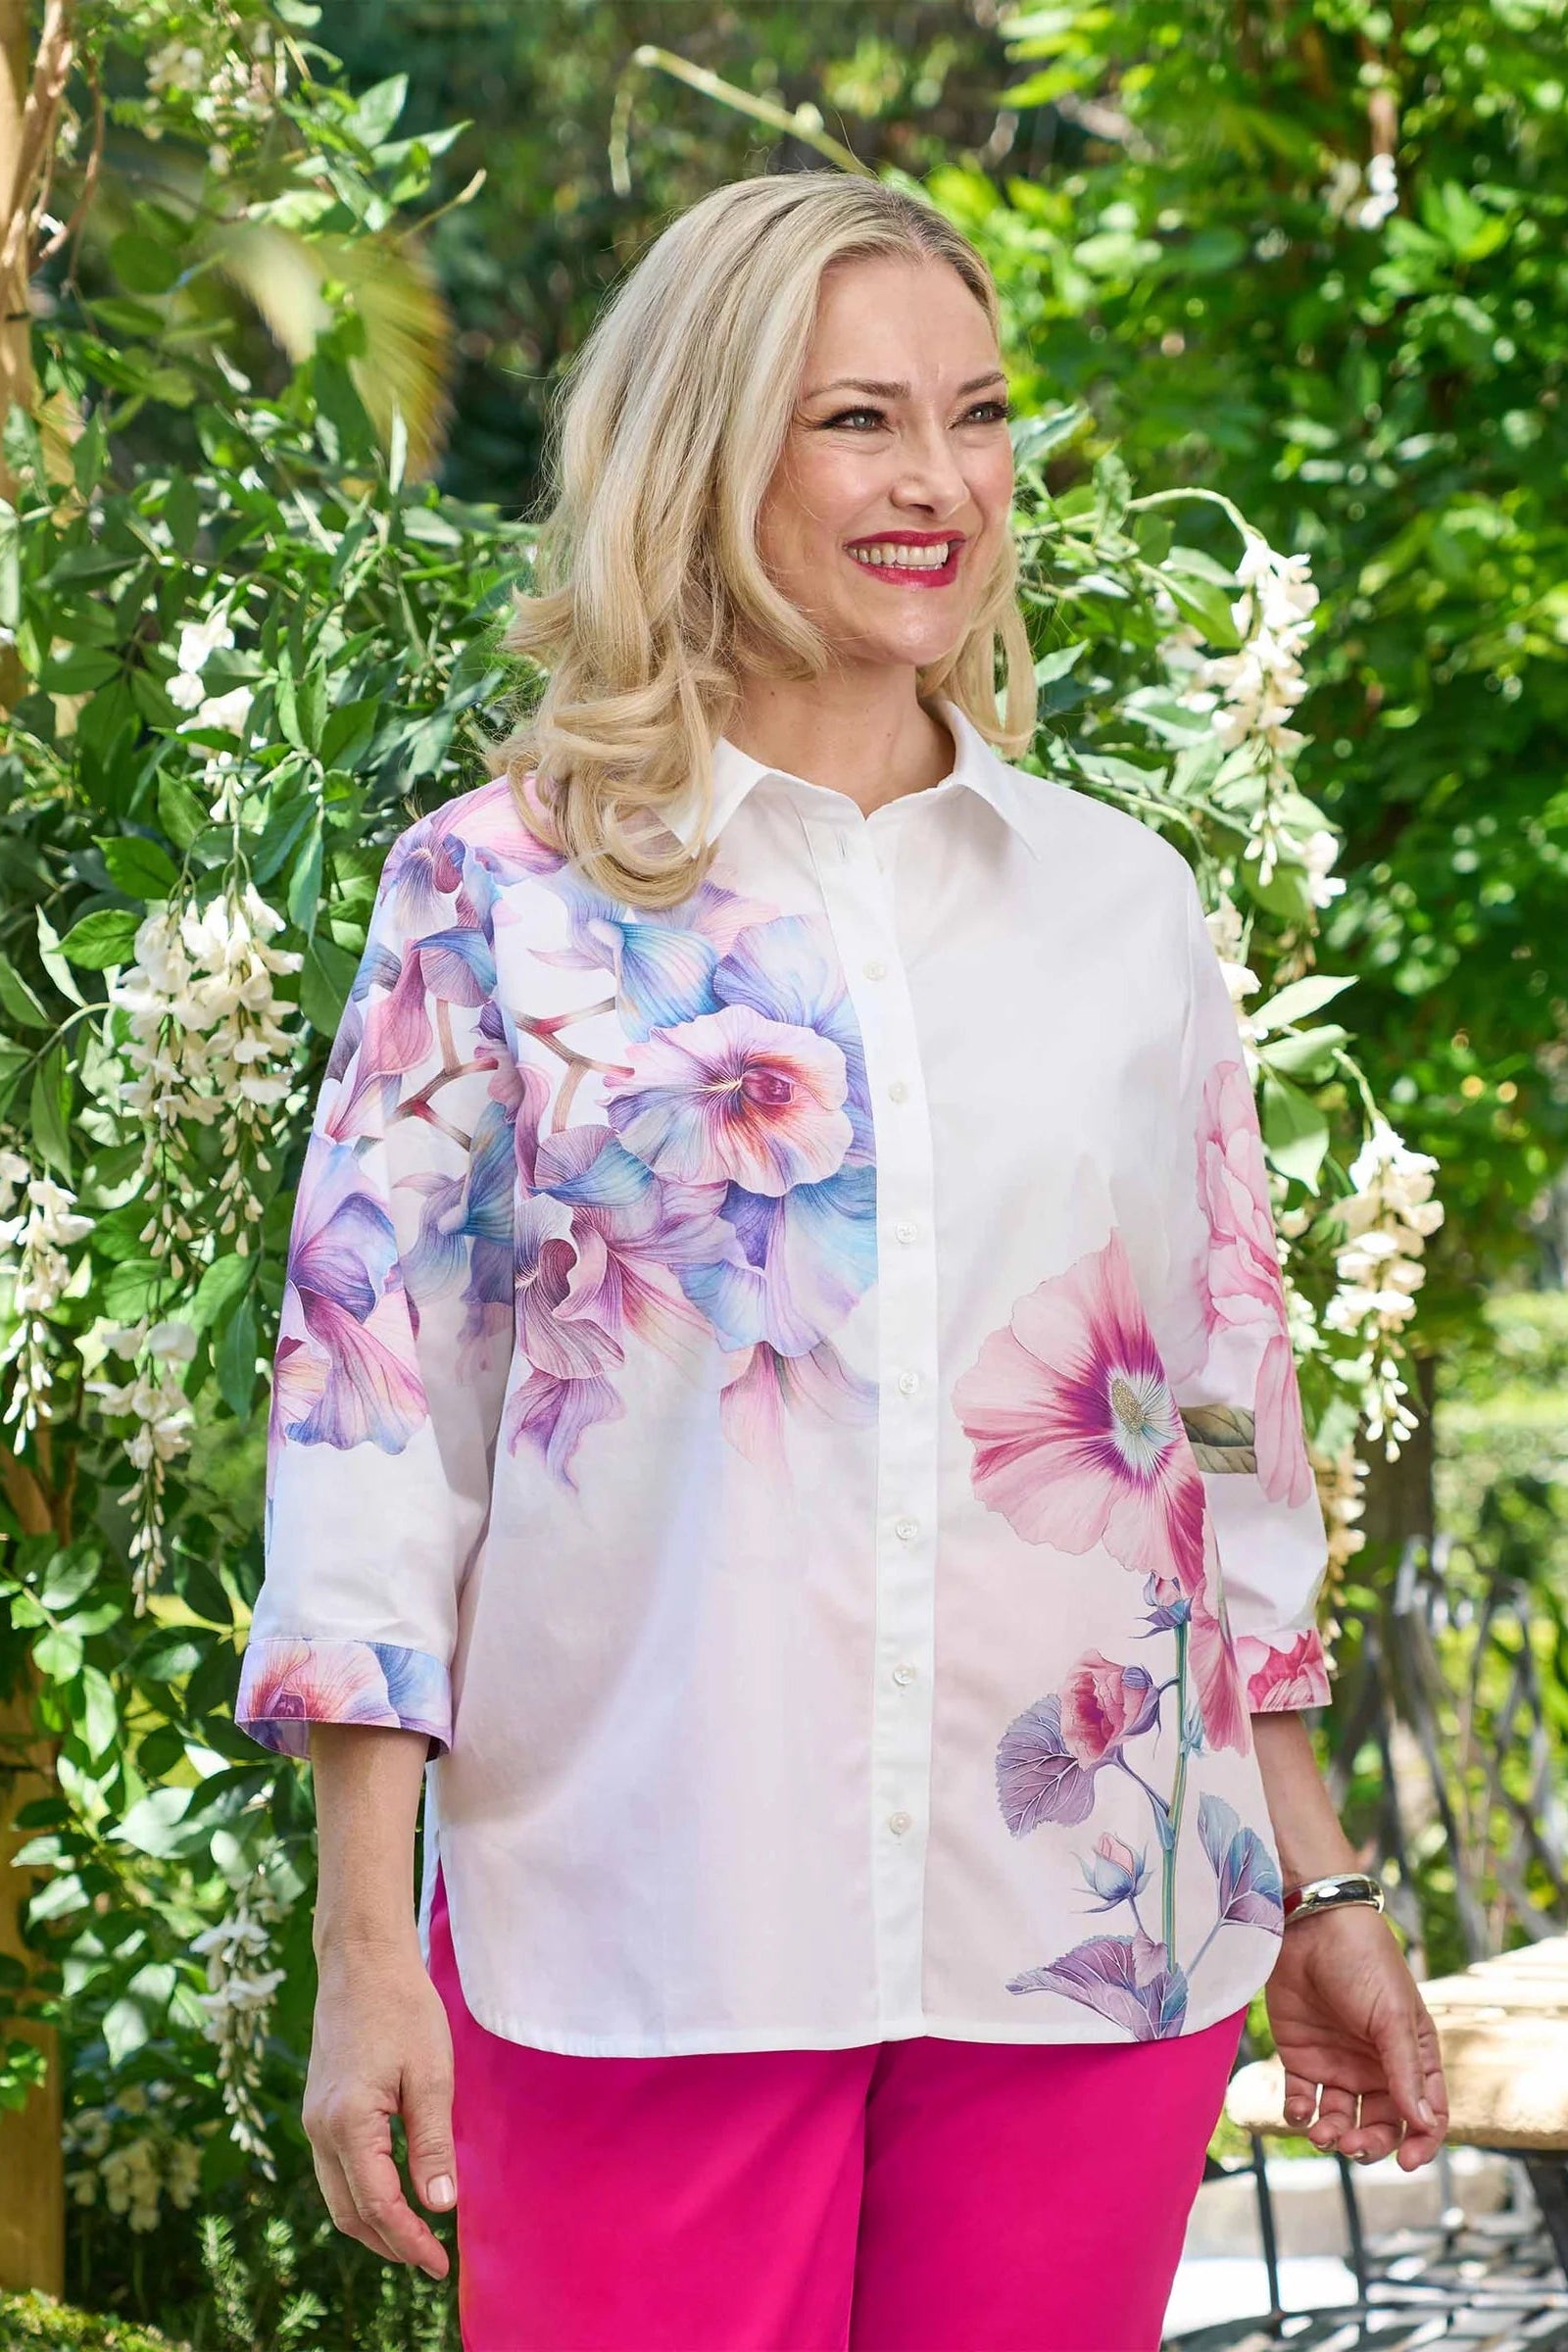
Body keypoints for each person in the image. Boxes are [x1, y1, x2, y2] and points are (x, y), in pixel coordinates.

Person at [233, 172, 1448, 2352]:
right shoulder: (490, 899)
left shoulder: (1119, 908)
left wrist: (1319, 1875)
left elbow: (1213, 1428)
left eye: (973, 418)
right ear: (704, 457)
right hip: (633, 1941)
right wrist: (360, 1953)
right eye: (854, 422)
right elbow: (371, 1440)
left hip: (1086, 1939)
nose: (936, 486)